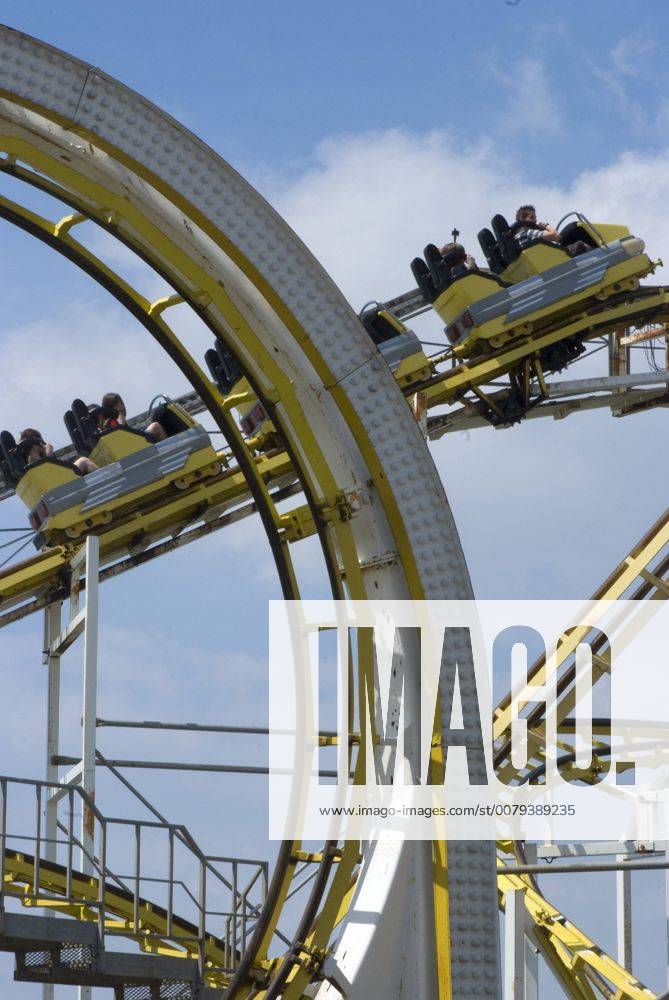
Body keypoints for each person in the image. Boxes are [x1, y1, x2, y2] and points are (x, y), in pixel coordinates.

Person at [18, 428, 98, 475]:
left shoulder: (25, 458)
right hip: (57, 478)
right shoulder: (33, 452)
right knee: (84, 461)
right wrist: (48, 451)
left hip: (55, 476)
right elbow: (44, 468)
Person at [100, 392, 167, 442]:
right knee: (156, 426)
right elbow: (119, 435)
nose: (121, 407)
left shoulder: (113, 420)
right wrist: (121, 420)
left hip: (134, 440)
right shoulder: (111, 422)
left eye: (121, 404)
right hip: (133, 442)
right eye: (117, 406)